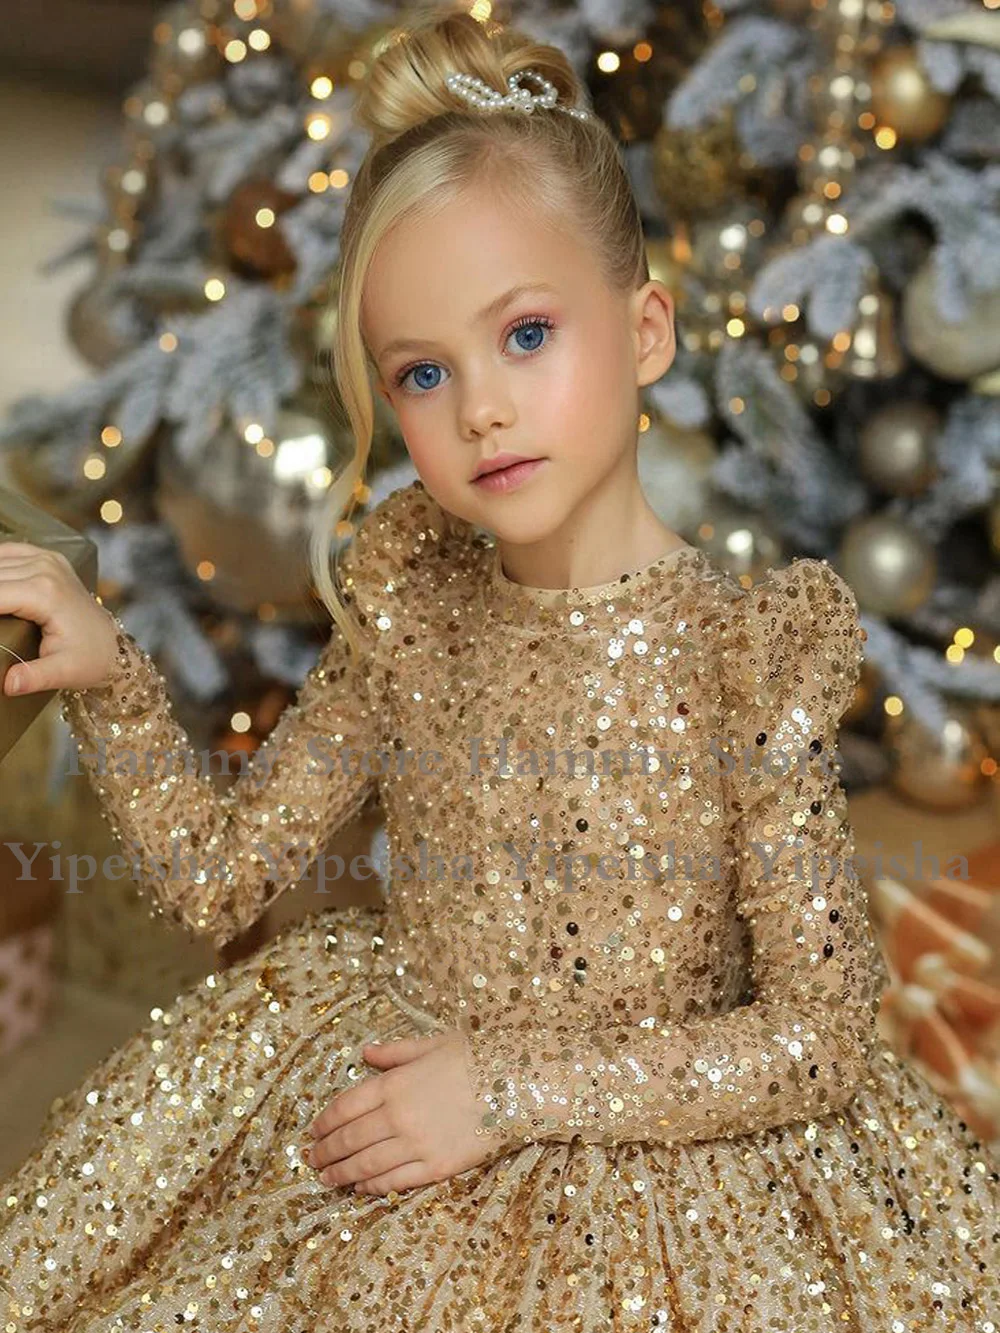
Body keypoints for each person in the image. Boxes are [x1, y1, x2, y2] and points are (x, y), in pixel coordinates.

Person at [0, 6, 997, 1328]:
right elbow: (215, 881)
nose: (478, 406)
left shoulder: (745, 658)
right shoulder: (413, 605)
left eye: (526, 334)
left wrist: (507, 1092)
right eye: (422, 371)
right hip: (396, 1070)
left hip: (669, 1164)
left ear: (644, 332)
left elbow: (818, 1036)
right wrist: (108, 673)